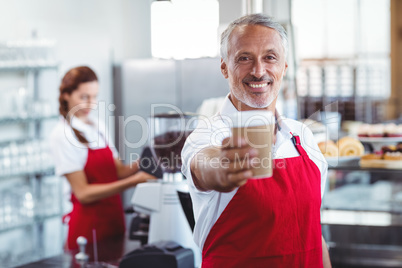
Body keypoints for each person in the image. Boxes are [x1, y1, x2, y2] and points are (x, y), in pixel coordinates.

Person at [181, 14, 332, 267]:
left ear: (284, 67)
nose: (258, 71)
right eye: (244, 58)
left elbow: (314, 232)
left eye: (270, 58)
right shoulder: (208, 135)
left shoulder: (302, 137)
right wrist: (222, 168)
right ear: (224, 67)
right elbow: (204, 165)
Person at [50, 66, 156, 250]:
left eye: (94, 97)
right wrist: (135, 181)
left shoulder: (97, 126)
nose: (91, 104)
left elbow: (119, 172)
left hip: (114, 222)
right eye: (84, 97)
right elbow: (83, 193)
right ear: (66, 95)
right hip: (87, 229)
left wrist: (149, 159)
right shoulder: (62, 134)